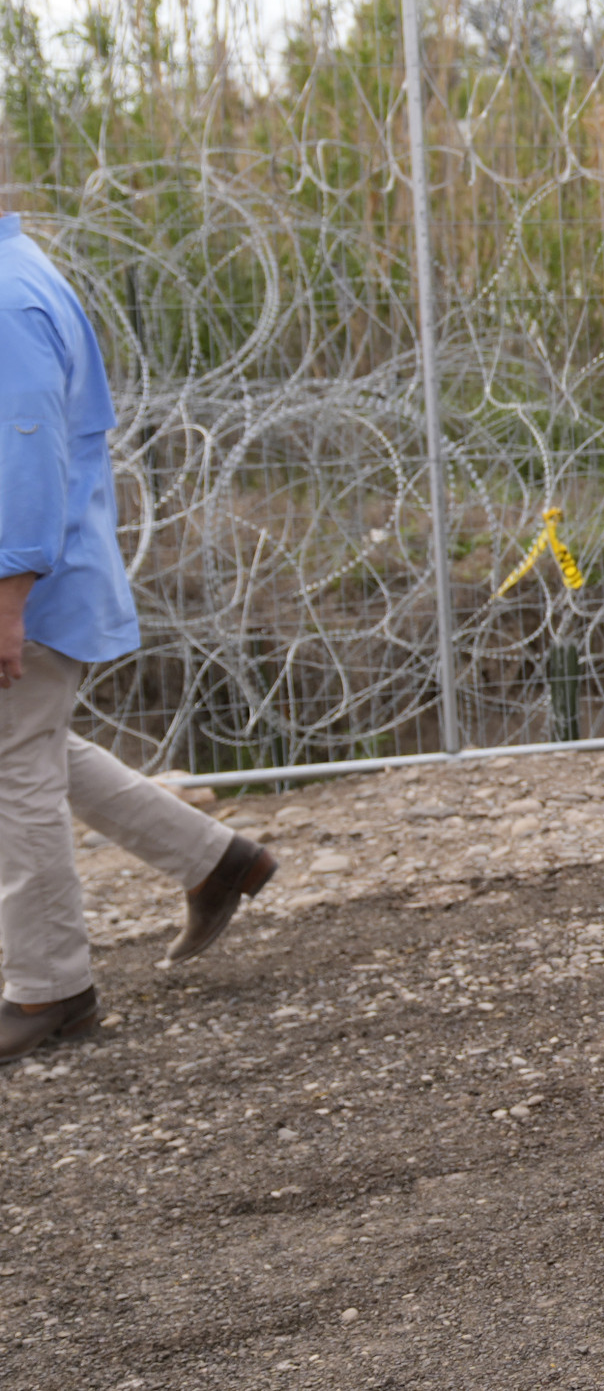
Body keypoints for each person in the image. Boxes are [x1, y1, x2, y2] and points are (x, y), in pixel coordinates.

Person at [1, 211, 278, 1062]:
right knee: (30, 744)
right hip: (43, 577)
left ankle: (51, 987)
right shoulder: (15, 270)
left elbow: (24, 452)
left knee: (14, 769)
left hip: (31, 584)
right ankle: (214, 856)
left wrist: (7, 598)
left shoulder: (7, 298)